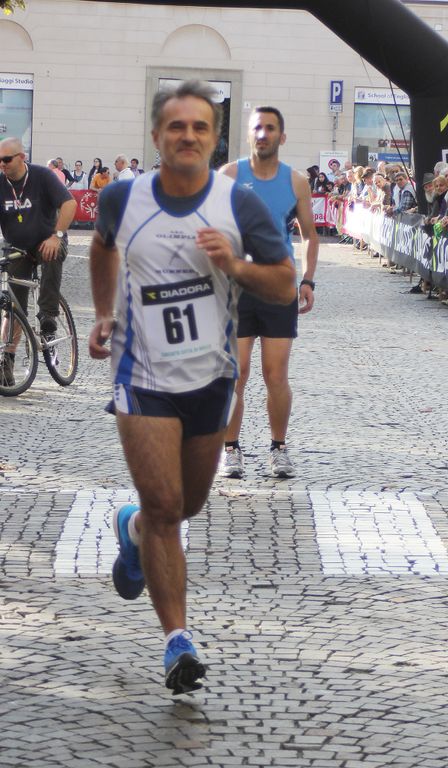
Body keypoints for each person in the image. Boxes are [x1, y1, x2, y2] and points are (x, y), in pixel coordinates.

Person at [88, 80, 296, 695]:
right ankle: (177, 641)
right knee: (164, 506)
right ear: (156, 135)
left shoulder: (239, 207)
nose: (188, 136)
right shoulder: (123, 197)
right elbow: (101, 247)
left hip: (211, 377)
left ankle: (132, 530)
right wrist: (103, 313)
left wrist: (233, 265)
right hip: (141, 377)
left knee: (188, 505)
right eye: (176, 126)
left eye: (200, 127)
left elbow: (285, 284)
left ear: (214, 137)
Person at [218, 105, 318, 479]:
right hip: (237, 290)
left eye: (271, 128)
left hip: (279, 289)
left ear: (282, 136)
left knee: (275, 375)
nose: (263, 134)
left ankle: (279, 448)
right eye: (257, 128)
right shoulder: (229, 175)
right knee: (236, 374)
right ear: (249, 134)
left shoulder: (296, 182)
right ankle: (231, 449)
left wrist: (307, 280)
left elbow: (310, 236)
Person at [0, 137, 77, 383]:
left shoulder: (42, 176)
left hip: (48, 240)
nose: (2, 164)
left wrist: (57, 235)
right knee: (13, 306)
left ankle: (48, 317)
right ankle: (7, 360)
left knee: (51, 254)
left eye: (6, 159)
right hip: (17, 247)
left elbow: (69, 203)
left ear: (21, 157)